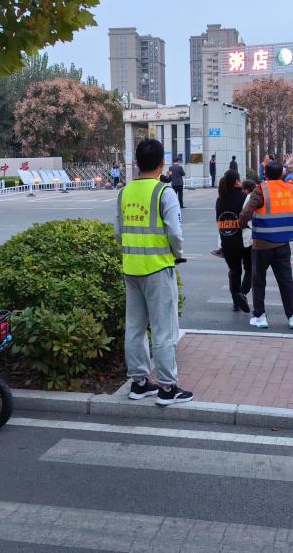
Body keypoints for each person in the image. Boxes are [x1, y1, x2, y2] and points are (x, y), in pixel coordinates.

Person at [116, 138, 192, 405]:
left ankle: (139, 383)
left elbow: (118, 233)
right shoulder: (164, 193)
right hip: (158, 269)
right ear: (162, 164)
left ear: (137, 163)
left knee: (135, 328)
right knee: (163, 330)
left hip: (131, 269)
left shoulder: (124, 192)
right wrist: (177, 254)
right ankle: (167, 388)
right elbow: (175, 234)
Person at [240, 161, 293, 330]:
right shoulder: (291, 189)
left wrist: (242, 223)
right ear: (282, 173)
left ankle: (260, 316)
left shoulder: (261, 189)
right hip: (283, 242)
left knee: (258, 280)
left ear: (265, 174)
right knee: (286, 280)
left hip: (262, 244)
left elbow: (246, 212)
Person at [216, 170, 253, 313]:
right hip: (245, 241)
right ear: (237, 182)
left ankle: (236, 302)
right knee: (250, 269)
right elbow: (249, 218)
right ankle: (242, 294)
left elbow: (219, 220)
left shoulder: (220, 199)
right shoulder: (245, 197)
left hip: (226, 241)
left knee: (234, 271)